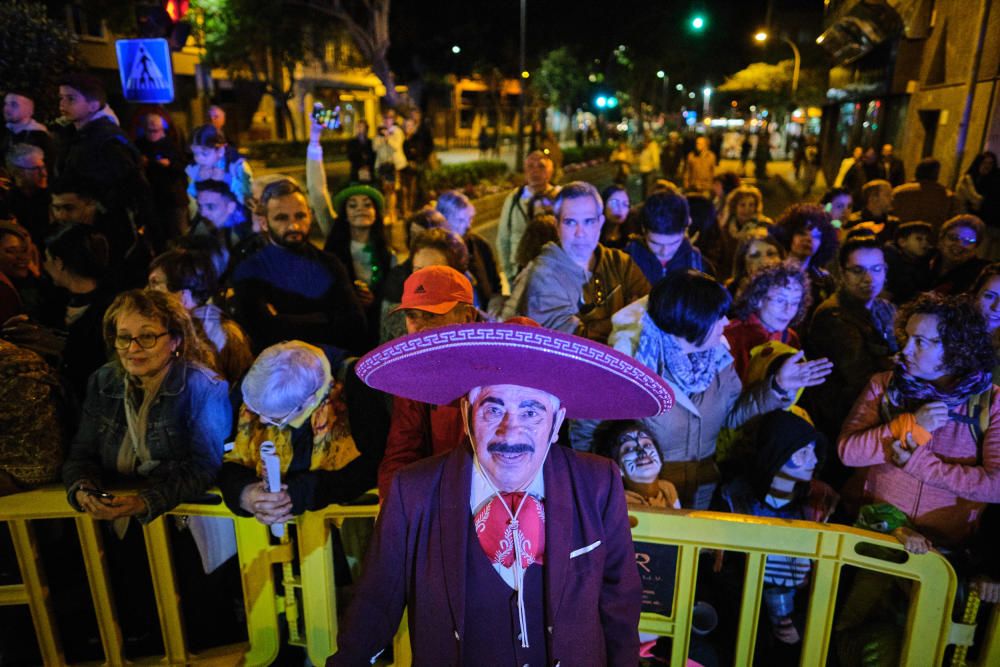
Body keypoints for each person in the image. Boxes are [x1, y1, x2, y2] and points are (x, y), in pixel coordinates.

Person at [329, 321, 676, 665]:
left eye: (531, 411)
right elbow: (375, 603)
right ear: (467, 416)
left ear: (556, 423)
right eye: (493, 410)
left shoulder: (598, 483)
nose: (511, 432)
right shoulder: (415, 491)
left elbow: (619, 601)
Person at [587, 270, 832, 509]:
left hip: (702, 489)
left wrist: (777, 386)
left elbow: (732, 416)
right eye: (717, 316)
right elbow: (591, 432)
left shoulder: (718, 361)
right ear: (692, 320)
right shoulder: (632, 363)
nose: (726, 322)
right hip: (643, 497)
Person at [838, 292, 1000, 548]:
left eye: (920, 342)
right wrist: (911, 425)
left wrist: (923, 466)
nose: (905, 350)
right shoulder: (884, 385)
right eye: (907, 338)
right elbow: (848, 452)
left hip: (946, 549)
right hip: (879, 534)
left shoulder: (991, 404)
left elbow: (995, 486)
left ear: (955, 347)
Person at [219, 340, 386, 523]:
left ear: (309, 402)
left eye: (275, 419)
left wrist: (300, 493)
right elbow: (225, 456)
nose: (261, 421)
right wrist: (245, 493)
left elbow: (372, 466)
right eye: (254, 410)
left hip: (341, 526)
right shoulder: (263, 374)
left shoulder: (356, 385)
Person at [717, 410, 837, 663]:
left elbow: (834, 577)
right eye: (803, 452)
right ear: (777, 453)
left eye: (814, 451)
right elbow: (723, 568)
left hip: (798, 624)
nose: (814, 459)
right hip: (743, 617)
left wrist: (803, 622)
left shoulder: (821, 504)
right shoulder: (735, 497)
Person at [230, 178, 366, 358]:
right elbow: (260, 333)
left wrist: (281, 320)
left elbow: (355, 326)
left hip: (328, 362)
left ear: (310, 216)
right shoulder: (250, 270)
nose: (293, 225)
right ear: (264, 223)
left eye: (300, 216)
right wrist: (325, 318)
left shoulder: (330, 264)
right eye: (281, 218)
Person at [376, 266, 480, 498]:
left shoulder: (502, 362)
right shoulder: (412, 374)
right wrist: (395, 504)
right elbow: (401, 451)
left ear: (467, 317)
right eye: (412, 316)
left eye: (431, 315)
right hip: (442, 500)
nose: (420, 327)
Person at [804, 238, 899, 478]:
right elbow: (861, 378)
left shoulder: (884, 308)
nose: (869, 278)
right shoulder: (833, 314)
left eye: (877, 269)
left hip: (875, 418)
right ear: (842, 273)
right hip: (844, 425)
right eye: (858, 271)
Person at [511, 181, 650, 344]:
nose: (580, 233)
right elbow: (573, 344)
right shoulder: (543, 274)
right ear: (557, 226)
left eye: (589, 221)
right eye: (570, 222)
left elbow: (652, 313)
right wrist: (625, 317)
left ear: (601, 223)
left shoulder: (619, 262)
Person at [54, 72, 152, 235]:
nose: (62, 104)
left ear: (93, 105)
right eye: (61, 98)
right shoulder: (73, 135)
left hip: (106, 231)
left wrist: (97, 208)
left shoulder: (108, 140)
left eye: (71, 99)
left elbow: (131, 189)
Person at [148, 248, 253, 386]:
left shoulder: (221, 334)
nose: (147, 292)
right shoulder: (168, 328)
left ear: (182, 295)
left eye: (155, 284)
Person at [39, 223, 114, 402]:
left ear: (59, 263)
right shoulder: (55, 303)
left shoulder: (108, 313)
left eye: (47, 259)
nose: (44, 265)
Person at [325, 184, 394, 349]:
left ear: (376, 213)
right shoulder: (334, 251)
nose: (360, 209)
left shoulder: (388, 254)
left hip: (376, 330)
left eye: (367, 204)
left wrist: (375, 300)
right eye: (353, 205)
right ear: (345, 215)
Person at [725, 264, 810, 384]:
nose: (788, 309)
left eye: (795, 303)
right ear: (759, 299)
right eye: (780, 300)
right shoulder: (730, 335)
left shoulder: (791, 339)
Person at [496, 150, 560, 281]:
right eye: (530, 166)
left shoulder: (560, 197)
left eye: (541, 166)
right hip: (520, 270)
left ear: (551, 170)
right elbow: (503, 238)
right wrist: (509, 273)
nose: (535, 171)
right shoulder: (514, 198)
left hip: (554, 272)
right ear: (524, 170)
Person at [436, 190, 502, 310]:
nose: (468, 226)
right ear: (444, 221)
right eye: (460, 220)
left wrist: (496, 304)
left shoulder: (480, 245)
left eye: (470, 219)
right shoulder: (436, 253)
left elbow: (495, 285)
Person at [624, 190, 706, 285]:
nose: (664, 251)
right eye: (655, 243)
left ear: (685, 230)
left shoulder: (696, 261)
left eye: (673, 243)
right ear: (643, 229)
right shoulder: (627, 259)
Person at [770, 204, 838, 316]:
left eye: (816, 236)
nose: (808, 239)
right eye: (802, 233)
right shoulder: (772, 272)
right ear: (789, 235)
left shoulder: (824, 281)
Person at [597, 421, 680, 509]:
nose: (642, 452)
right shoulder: (618, 503)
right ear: (617, 467)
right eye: (629, 449)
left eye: (647, 445)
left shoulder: (668, 489)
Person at [135, 112, 188, 243]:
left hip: (172, 199)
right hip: (152, 200)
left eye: (156, 130)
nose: (153, 133)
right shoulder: (139, 146)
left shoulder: (172, 146)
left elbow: (183, 167)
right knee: (157, 238)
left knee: (178, 236)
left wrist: (170, 164)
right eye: (149, 130)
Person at [185, 124, 253, 213]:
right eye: (196, 154)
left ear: (220, 150)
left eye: (204, 153)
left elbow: (247, 196)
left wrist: (227, 179)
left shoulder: (237, 165)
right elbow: (192, 194)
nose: (199, 159)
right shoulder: (199, 169)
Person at [2, 143, 52, 249]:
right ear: (17, 173)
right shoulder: (8, 202)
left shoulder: (55, 198)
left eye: (43, 167)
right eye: (35, 169)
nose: (43, 173)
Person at [191, 180, 255, 259]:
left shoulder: (248, 240)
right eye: (200, 206)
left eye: (210, 207)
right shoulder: (199, 232)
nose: (203, 213)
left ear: (231, 207)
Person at [929, 214, 989, 295]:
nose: (959, 244)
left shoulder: (980, 275)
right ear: (941, 240)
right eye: (953, 237)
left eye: (968, 241)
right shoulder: (923, 260)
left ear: (976, 247)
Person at [890, 158, 957, 231]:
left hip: (901, 236)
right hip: (931, 238)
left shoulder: (899, 192)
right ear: (936, 174)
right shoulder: (946, 195)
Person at [883, 221, 934, 305]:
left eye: (927, 239)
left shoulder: (923, 262)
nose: (925, 243)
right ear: (902, 242)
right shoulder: (890, 262)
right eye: (919, 239)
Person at [726, 231, 786, 298]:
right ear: (744, 266)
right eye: (755, 256)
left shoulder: (795, 291)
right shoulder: (730, 297)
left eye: (771, 254)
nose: (765, 262)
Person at [2, 90, 53, 166]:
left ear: (29, 110)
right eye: (6, 104)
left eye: (14, 105)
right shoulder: (4, 131)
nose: (6, 109)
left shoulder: (40, 137)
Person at [599, 184, 637, 249]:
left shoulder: (632, 239)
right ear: (603, 205)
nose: (620, 209)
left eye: (625, 204)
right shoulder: (594, 236)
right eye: (614, 203)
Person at [346, 119, 376, 183]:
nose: (359, 129)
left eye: (361, 126)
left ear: (366, 128)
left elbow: (373, 156)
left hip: (368, 171)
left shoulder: (370, 142)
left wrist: (367, 164)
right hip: (356, 171)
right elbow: (350, 156)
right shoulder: (352, 142)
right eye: (358, 126)